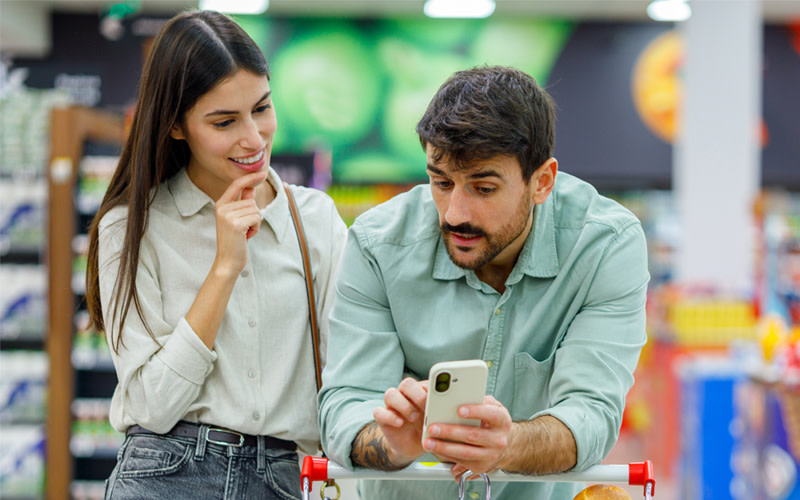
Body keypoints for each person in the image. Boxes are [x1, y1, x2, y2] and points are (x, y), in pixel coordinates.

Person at [318, 65, 649, 500]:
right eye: (441, 182)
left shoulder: (605, 245)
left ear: (542, 182)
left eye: (483, 188)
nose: (454, 213)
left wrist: (508, 443)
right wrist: (393, 443)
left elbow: (591, 413)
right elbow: (344, 406)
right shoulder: (379, 245)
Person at [84, 10, 347, 500]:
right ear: (177, 126)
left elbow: (345, 374)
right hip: (166, 472)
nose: (253, 137)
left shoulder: (314, 219)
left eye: (262, 108)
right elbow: (152, 404)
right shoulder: (132, 227)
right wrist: (225, 267)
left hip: (283, 475)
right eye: (224, 121)